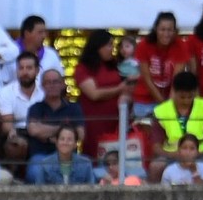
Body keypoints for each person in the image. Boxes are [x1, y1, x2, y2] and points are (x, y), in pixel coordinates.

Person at [73, 30, 135, 164]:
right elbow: (94, 94)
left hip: (118, 122)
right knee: (96, 157)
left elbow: (130, 85)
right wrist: (119, 89)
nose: (112, 49)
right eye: (109, 45)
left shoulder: (116, 65)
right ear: (98, 46)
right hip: (95, 123)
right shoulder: (83, 68)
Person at [148, 70, 203, 181]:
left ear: (195, 92)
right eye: (182, 97)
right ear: (174, 92)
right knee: (155, 167)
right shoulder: (160, 111)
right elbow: (156, 146)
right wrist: (173, 155)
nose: (186, 101)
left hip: (200, 154)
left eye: (190, 97)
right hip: (172, 155)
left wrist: (197, 154)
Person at [26, 69, 84, 158]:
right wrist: (65, 129)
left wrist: (45, 132)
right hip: (41, 155)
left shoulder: (74, 108)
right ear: (42, 86)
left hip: (69, 156)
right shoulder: (35, 108)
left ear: (62, 84)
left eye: (55, 82)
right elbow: (33, 130)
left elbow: (80, 134)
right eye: (48, 82)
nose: (52, 85)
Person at [26, 124, 95, 185]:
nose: (65, 142)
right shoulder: (45, 164)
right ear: (56, 142)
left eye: (69, 139)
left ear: (75, 144)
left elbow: (91, 190)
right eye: (62, 139)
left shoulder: (85, 164)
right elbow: (39, 191)